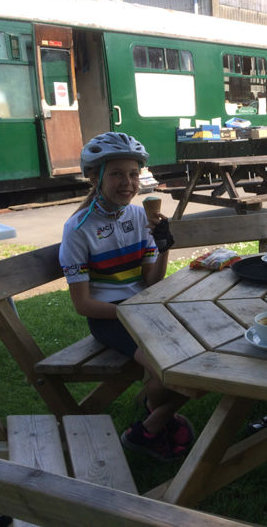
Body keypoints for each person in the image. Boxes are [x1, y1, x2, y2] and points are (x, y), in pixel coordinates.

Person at [59, 132, 193, 462]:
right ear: (94, 176)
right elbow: (83, 305)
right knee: (176, 372)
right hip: (109, 317)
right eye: (117, 174)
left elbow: (150, 281)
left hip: (141, 308)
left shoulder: (137, 217)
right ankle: (148, 428)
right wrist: (129, 313)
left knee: (198, 354)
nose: (128, 183)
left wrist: (163, 247)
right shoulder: (78, 228)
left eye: (133, 174)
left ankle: (153, 413)